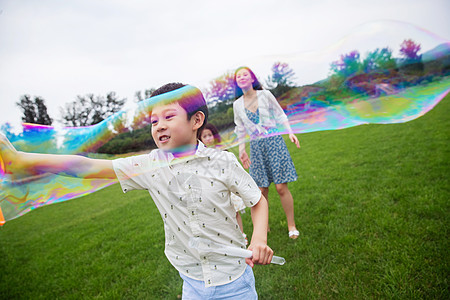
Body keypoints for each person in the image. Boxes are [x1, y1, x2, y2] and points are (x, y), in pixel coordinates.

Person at [0, 83, 273, 299]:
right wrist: (21, 161)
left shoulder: (222, 161)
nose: (159, 125)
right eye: (154, 121)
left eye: (168, 116)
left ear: (196, 120)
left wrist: (259, 239)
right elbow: (86, 166)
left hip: (234, 280)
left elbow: (257, 200)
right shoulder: (150, 165)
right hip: (191, 280)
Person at [233, 66, 301, 239]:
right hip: (256, 147)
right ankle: (264, 227)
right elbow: (240, 129)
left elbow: (280, 115)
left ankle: (291, 225)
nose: (241, 77)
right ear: (237, 82)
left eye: (245, 74)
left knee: (280, 187)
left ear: (251, 78)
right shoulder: (237, 105)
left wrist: (290, 132)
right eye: (238, 76)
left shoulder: (265, 95)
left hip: (274, 142)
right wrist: (242, 150)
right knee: (261, 191)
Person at [199, 123, 247, 244]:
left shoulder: (222, 151)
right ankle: (229, 238)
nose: (208, 138)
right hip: (216, 189)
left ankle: (241, 235)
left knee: (235, 213)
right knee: (224, 216)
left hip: (229, 187)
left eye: (210, 135)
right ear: (200, 139)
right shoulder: (201, 155)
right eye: (205, 136)